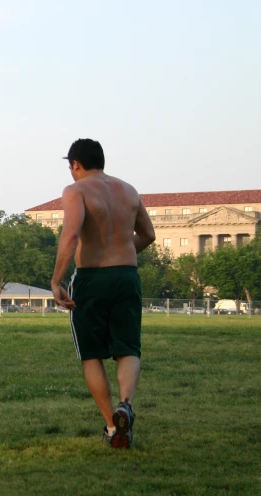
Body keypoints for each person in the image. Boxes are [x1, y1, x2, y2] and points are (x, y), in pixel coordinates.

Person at [50, 139, 156, 449]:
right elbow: (148, 235)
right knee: (128, 348)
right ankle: (126, 404)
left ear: (76, 165)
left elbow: (70, 236)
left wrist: (57, 281)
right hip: (127, 276)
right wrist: (123, 256)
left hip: (92, 278)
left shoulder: (76, 191)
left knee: (91, 353)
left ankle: (112, 426)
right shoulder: (129, 190)